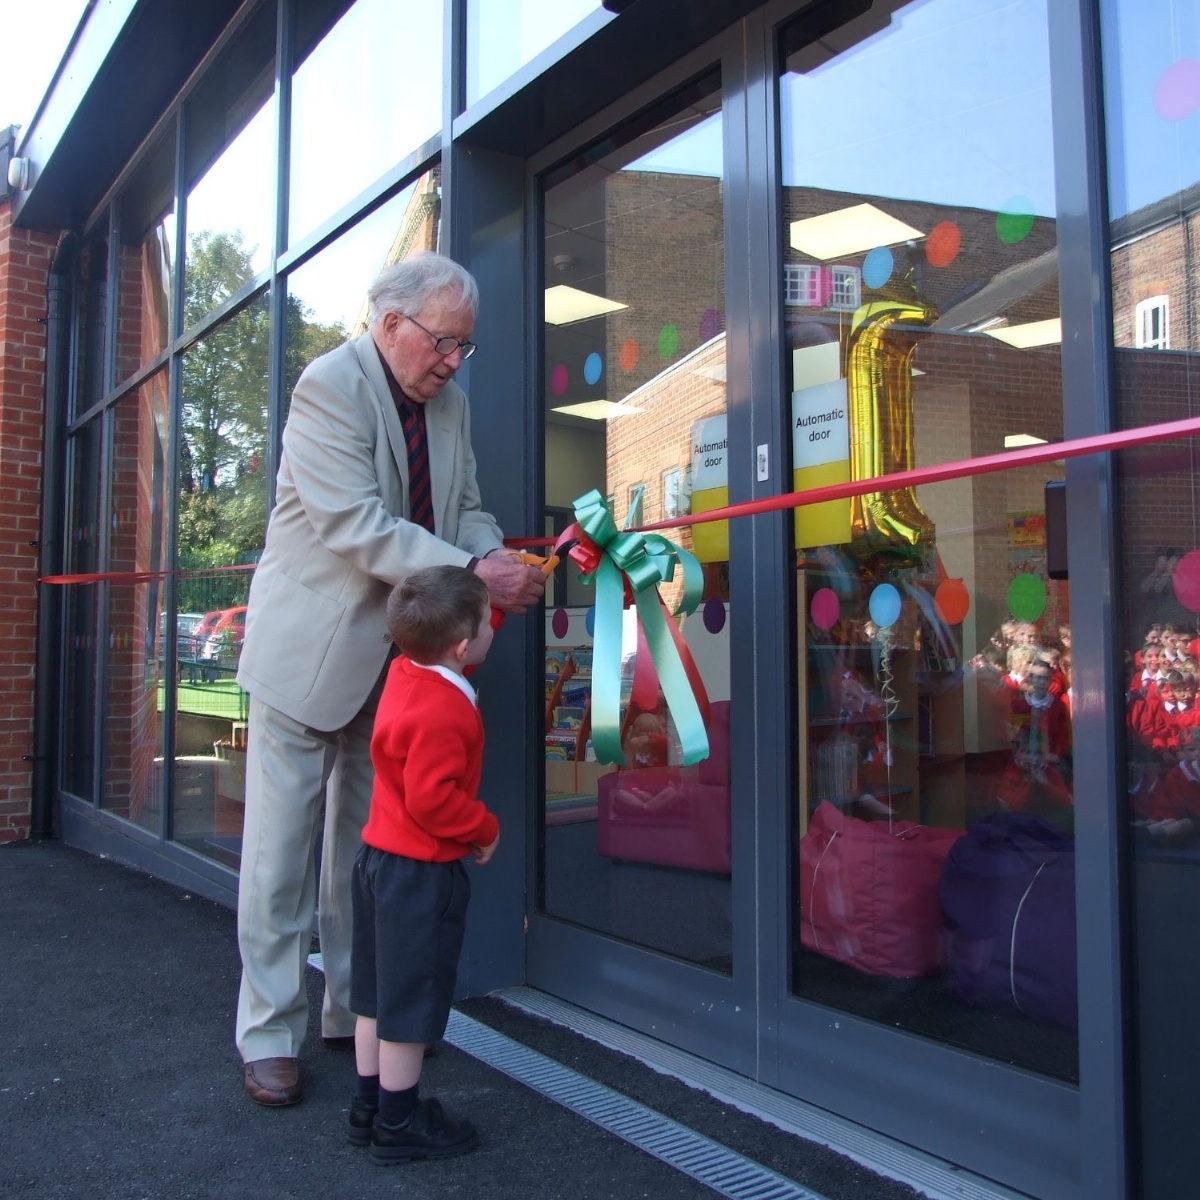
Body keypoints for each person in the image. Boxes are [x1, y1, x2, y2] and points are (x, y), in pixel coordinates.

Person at [233, 252, 546, 1107]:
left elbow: (466, 506)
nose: (452, 362)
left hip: (395, 665)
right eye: (444, 342)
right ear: (389, 322)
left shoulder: (450, 407)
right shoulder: (328, 386)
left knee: (361, 861)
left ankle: (348, 1009)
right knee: (278, 863)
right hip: (307, 659)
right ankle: (266, 1033)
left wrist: (489, 553)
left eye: (464, 348)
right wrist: (477, 576)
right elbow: (356, 526)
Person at [346, 566, 498, 1162]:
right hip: (420, 875)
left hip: (378, 862)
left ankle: (368, 1107)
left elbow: (453, 643)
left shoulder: (406, 672)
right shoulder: (446, 711)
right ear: (463, 647)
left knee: (374, 993)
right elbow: (433, 799)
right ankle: (400, 1122)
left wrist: (486, 612)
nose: (489, 632)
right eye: (487, 625)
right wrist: (483, 828)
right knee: (409, 1004)